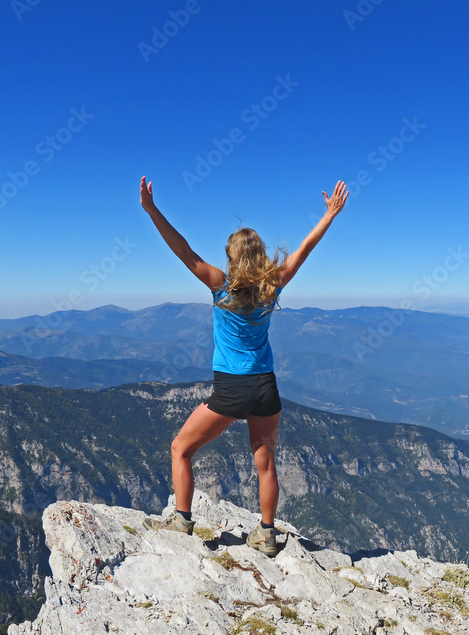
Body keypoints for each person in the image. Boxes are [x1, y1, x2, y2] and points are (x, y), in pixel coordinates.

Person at [139, 175, 349, 557]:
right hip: (266, 387)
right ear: (260, 254)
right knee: (265, 461)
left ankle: (182, 520)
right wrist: (330, 215)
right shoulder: (274, 285)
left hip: (232, 388)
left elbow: (184, 251)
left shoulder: (221, 285)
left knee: (180, 449)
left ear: (233, 256)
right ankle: (267, 534)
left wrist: (153, 211)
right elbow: (305, 248)